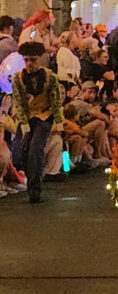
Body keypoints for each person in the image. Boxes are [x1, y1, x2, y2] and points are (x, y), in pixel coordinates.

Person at [11, 41, 64, 202]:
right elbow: (18, 102)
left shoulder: (50, 77)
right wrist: (24, 123)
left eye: (32, 60)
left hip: (43, 116)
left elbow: (55, 100)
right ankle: (29, 181)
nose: (29, 64)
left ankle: (35, 190)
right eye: (26, 60)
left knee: (35, 149)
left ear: (39, 59)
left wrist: (59, 122)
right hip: (27, 117)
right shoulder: (18, 78)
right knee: (20, 152)